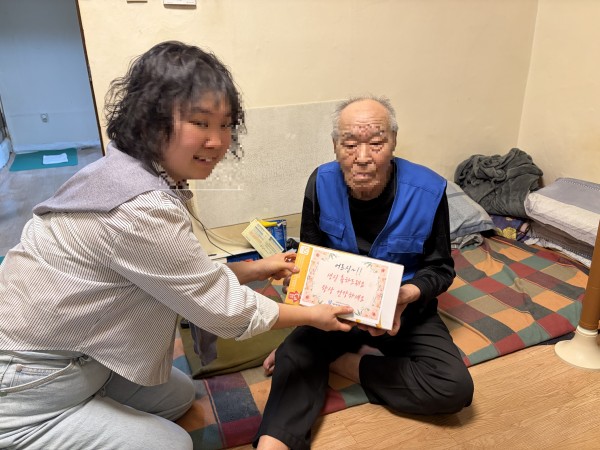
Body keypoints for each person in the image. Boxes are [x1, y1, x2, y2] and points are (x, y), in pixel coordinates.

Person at [0, 41, 354, 450]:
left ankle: (91, 404)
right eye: (201, 123)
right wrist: (313, 315)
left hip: (82, 352)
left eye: (225, 125)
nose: (218, 141)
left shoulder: (124, 168)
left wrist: (258, 267)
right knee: (174, 443)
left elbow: (182, 276)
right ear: (150, 119)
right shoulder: (141, 207)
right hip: (29, 380)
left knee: (180, 395)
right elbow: (224, 311)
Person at [255, 96, 474, 450]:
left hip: (404, 311)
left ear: (393, 142)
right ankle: (273, 443)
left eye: (376, 143)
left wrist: (407, 295)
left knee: (453, 388)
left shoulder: (429, 190)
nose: (362, 157)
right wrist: (301, 301)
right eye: (350, 143)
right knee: (293, 356)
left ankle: (344, 364)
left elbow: (441, 269)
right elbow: (311, 255)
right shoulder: (320, 182)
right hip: (333, 311)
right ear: (335, 145)